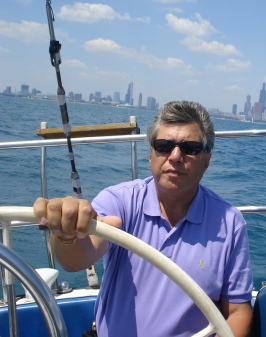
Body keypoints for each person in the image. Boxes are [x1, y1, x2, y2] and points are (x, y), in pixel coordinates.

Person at [33, 101, 253, 337]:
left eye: (190, 148)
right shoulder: (119, 202)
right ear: (150, 155)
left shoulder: (229, 222)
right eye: (163, 146)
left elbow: (238, 311)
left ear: (206, 160)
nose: (175, 156)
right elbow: (76, 260)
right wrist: (68, 233)